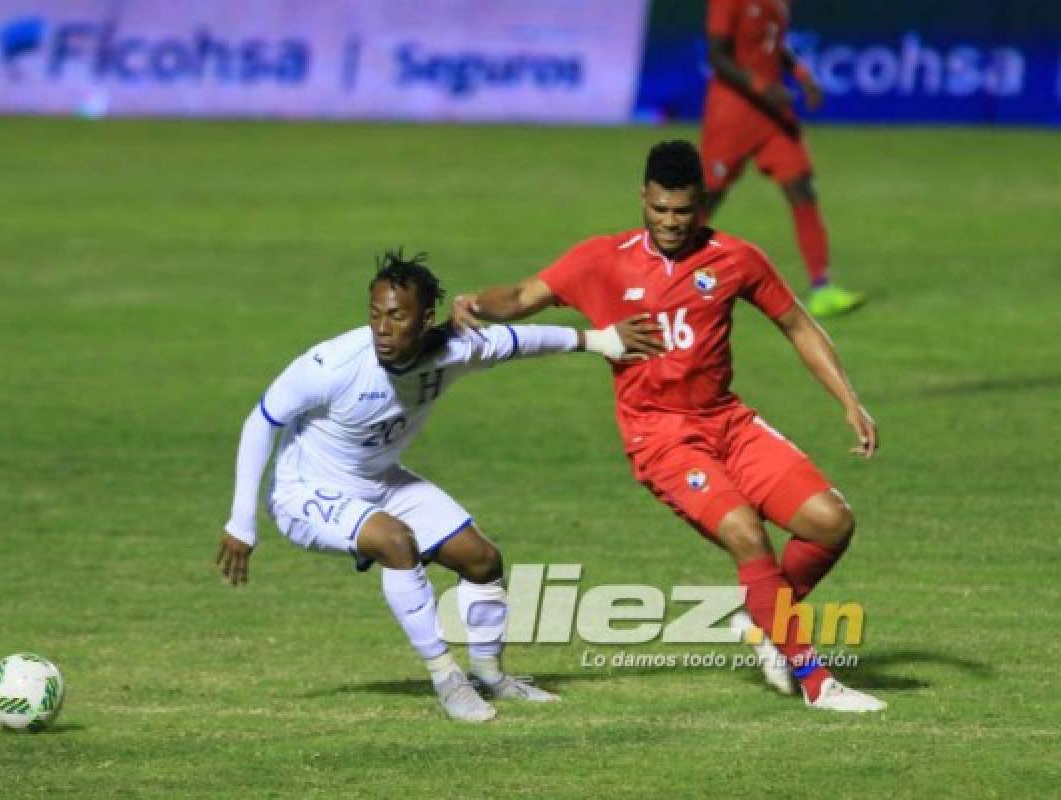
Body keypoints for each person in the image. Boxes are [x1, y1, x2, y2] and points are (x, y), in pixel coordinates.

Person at [451, 141, 886, 713]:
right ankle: (815, 682)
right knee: (747, 535)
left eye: (683, 212)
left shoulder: (736, 259)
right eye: (659, 210)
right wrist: (473, 302)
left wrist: (850, 402)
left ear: (702, 204)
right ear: (643, 198)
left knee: (831, 523)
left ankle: (761, 620)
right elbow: (525, 295)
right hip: (660, 437)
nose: (670, 223)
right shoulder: (602, 259)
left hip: (727, 421)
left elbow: (798, 325)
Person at [215, 250, 655, 722]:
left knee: (482, 560)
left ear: (425, 319)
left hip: (379, 480)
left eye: (397, 317)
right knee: (395, 542)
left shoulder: (455, 348)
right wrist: (242, 522)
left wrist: (599, 340)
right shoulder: (332, 364)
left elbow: (519, 340)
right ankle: (448, 680)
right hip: (304, 493)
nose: (382, 329)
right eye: (375, 315)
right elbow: (261, 421)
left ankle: (491, 675)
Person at [702, 0, 865, 318]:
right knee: (707, 199)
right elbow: (717, 56)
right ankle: (658, 276)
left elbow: (774, 44)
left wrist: (802, 75)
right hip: (733, 113)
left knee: (802, 187)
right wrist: (761, 86)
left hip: (772, 114)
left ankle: (822, 288)